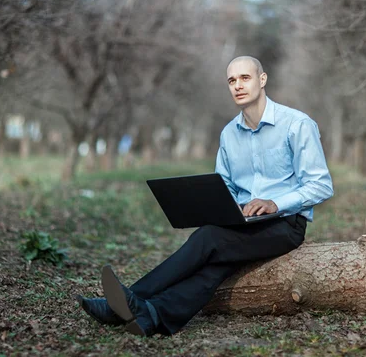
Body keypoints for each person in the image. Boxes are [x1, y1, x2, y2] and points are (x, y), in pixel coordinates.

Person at [75, 56, 334, 337]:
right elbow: (225, 186)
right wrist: (227, 204)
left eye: (245, 78)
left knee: (209, 238)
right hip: (243, 222)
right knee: (216, 264)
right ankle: (153, 315)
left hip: (285, 224)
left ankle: (127, 301)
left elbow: (321, 185)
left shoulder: (297, 124)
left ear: (262, 80)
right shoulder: (228, 135)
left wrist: (274, 202)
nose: (237, 86)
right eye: (232, 80)